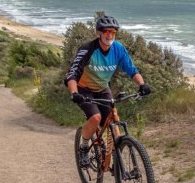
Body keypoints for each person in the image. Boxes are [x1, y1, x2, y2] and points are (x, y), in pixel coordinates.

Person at [64, 15, 152, 155]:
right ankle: (84, 147)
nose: (109, 35)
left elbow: (131, 70)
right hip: (83, 89)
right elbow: (72, 73)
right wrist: (74, 93)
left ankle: (117, 159)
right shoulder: (88, 49)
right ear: (98, 33)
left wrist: (142, 85)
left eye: (113, 32)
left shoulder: (118, 49)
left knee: (113, 121)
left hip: (103, 88)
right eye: (106, 32)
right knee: (95, 118)